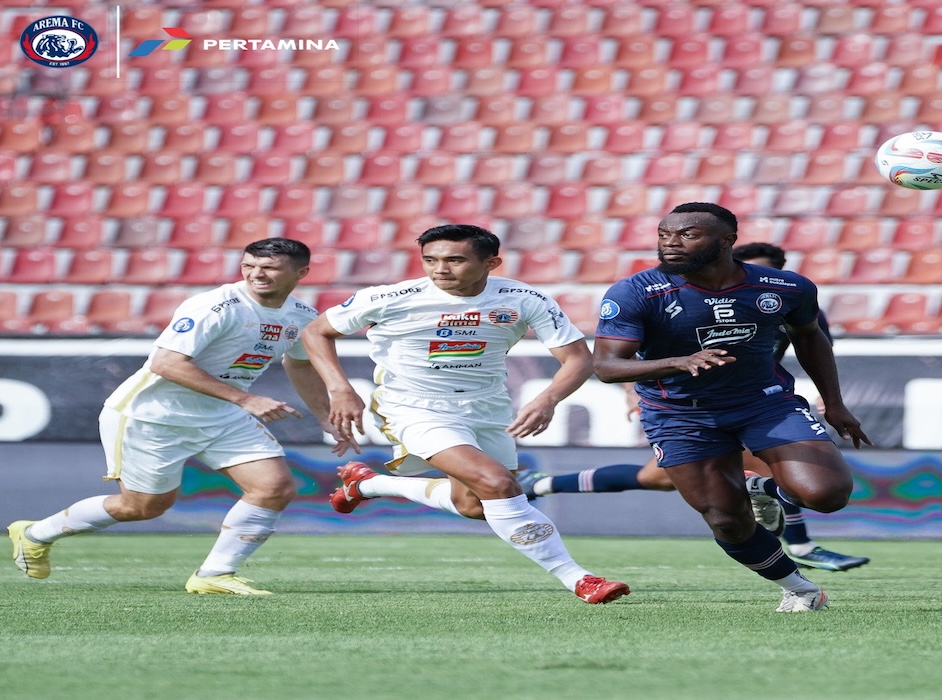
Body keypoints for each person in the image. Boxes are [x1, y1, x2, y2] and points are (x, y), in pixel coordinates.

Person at [300, 224, 630, 605]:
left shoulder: (524, 298)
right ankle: (579, 578)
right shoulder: (391, 297)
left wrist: (548, 399)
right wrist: (341, 389)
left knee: (474, 506)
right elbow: (316, 332)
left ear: (492, 262)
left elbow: (576, 358)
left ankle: (368, 485)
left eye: (454, 259)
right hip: (414, 405)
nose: (440, 269)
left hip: (487, 406)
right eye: (430, 260)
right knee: (498, 484)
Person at [8, 238, 357, 595]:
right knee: (141, 507)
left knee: (274, 487)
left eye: (269, 267)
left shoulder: (300, 317)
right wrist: (245, 399)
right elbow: (166, 363)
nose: (257, 274)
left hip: (221, 414)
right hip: (152, 416)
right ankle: (35, 534)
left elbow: (298, 364)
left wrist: (324, 416)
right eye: (249, 265)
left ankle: (214, 574)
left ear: (301, 273)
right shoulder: (215, 306)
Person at [518, 242, 869, 572]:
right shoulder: (664, 295)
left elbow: (814, 346)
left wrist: (830, 398)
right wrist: (631, 391)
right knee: (658, 478)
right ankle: (798, 541)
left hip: (755, 400)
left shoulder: (786, 297)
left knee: (671, 478)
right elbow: (622, 355)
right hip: (684, 405)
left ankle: (544, 483)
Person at [590, 203, 872, 612]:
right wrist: (678, 362)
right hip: (679, 414)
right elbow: (606, 366)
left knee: (827, 495)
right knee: (727, 520)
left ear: (727, 241)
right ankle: (800, 588)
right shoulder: (635, 292)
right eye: (665, 234)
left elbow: (810, 337)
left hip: (764, 403)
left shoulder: (786, 287)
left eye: (687, 235)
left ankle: (760, 488)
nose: (671, 243)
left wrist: (834, 403)